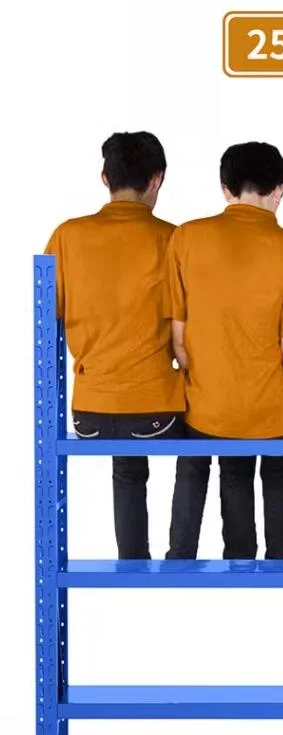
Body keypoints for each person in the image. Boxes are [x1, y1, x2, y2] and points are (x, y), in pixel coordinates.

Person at [166, 141, 283, 560]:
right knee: (281, 482)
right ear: (280, 189)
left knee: (233, 477)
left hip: (209, 405)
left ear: (225, 188)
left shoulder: (186, 238)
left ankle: (239, 563)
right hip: (273, 407)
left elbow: (178, 338)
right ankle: (280, 567)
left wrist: (205, 374)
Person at [44, 131, 185, 559]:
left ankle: (133, 562)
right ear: (157, 180)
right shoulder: (175, 239)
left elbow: (46, 316)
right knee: (207, 439)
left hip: (89, 414)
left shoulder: (67, 237)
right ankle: (181, 557)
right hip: (158, 413)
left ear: (105, 178)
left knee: (127, 468)